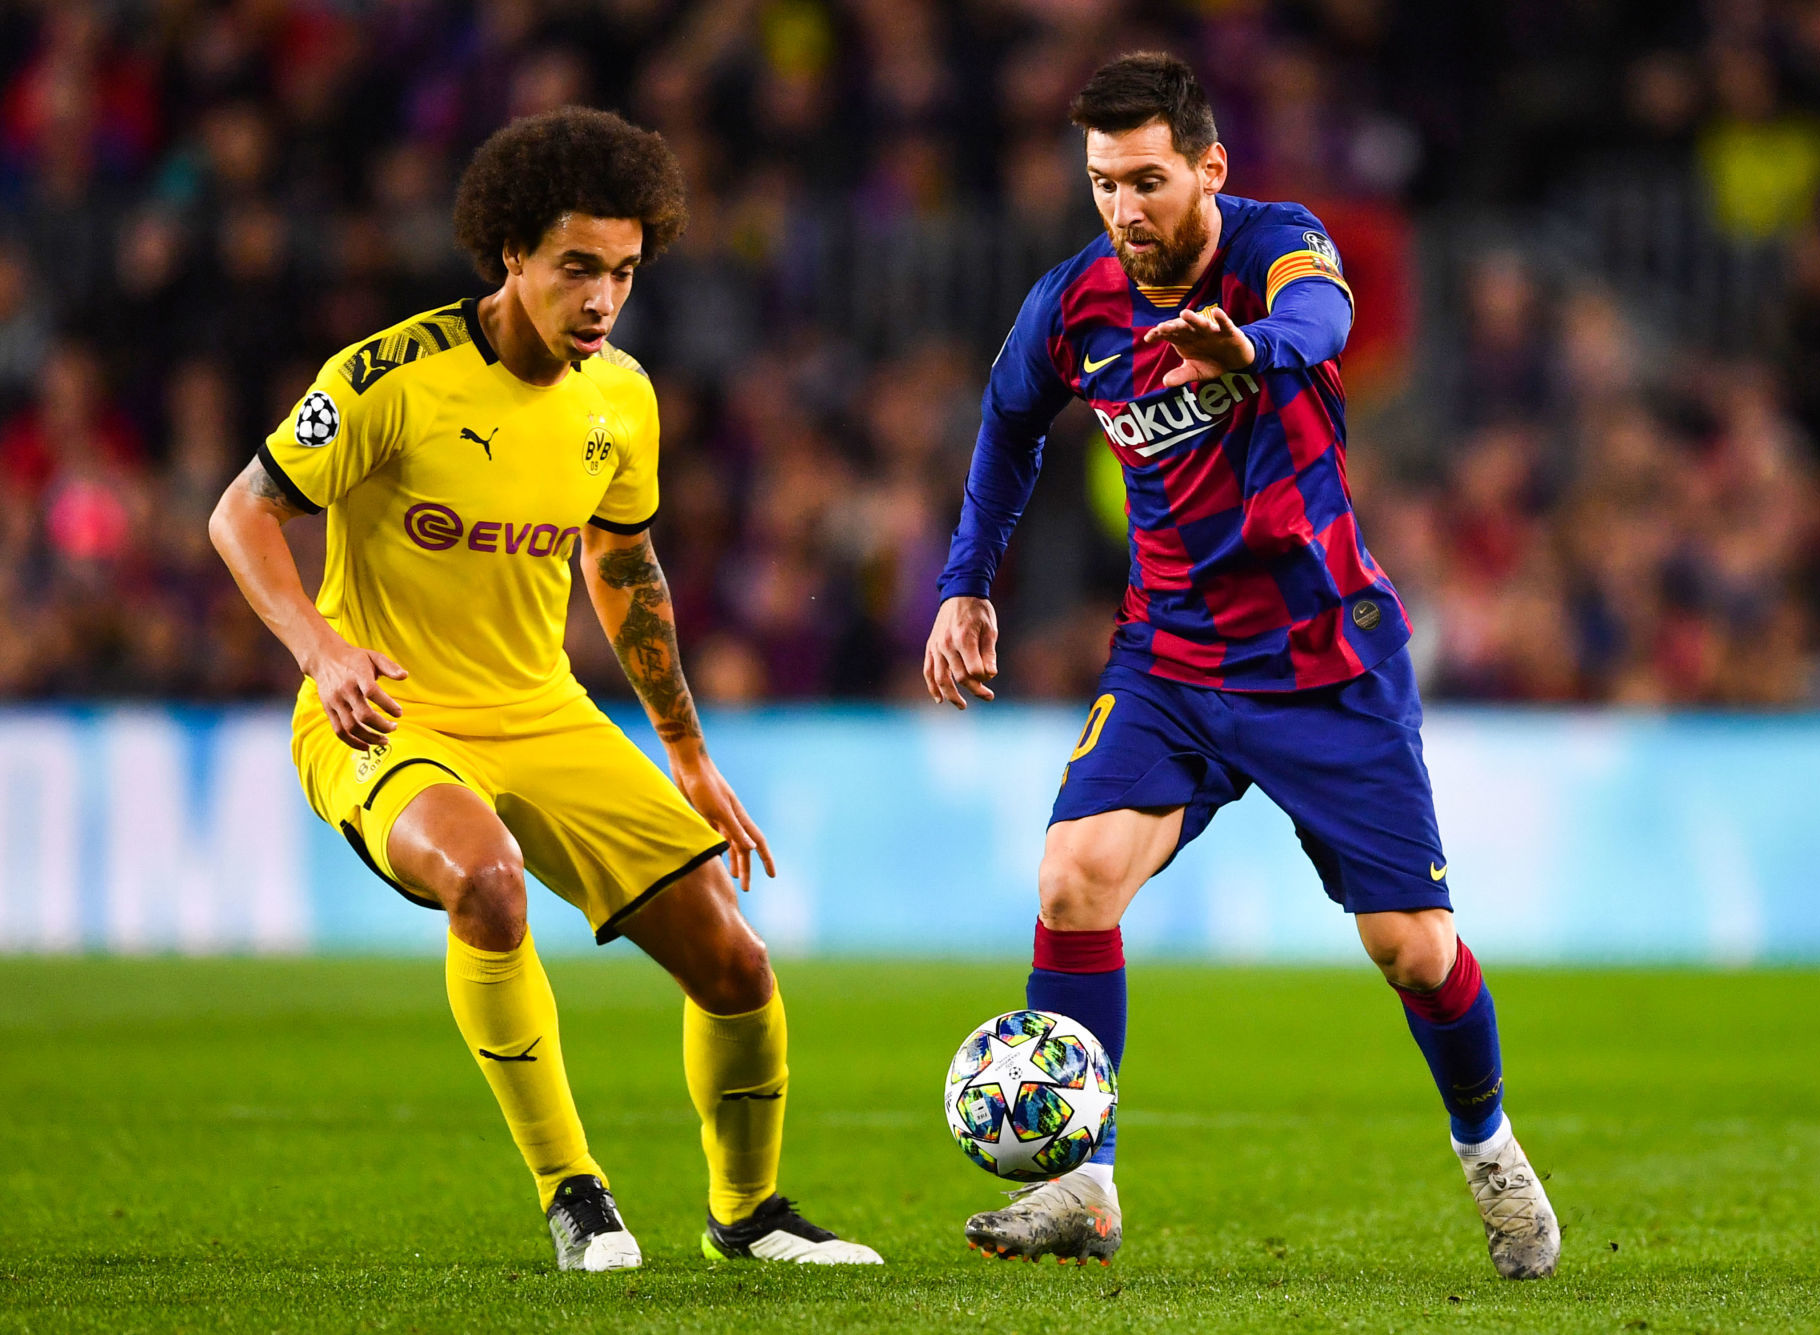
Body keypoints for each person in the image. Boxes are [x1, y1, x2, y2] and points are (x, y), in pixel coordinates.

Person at [208, 107, 879, 1272]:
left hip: (545, 713)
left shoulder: (620, 398)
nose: (602, 298)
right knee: (487, 882)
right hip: (387, 714)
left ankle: (749, 1214)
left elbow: (623, 566)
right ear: (510, 253)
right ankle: (577, 1195)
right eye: (577, 267)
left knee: (734, 962)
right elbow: (242, 512)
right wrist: (322, 650)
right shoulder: (386, 378)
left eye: (622, 272)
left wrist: (686, 751)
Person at [924, 53, 1558, 1279]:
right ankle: (1080, 1184)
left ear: (1207, 168)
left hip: (1323, 655)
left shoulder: (1278, 244)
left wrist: (1249, 350)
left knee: (1410, 949)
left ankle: (1488, 1148)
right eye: (1103, 184)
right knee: (1073, 877)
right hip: (1168, 657)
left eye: (1147, 180)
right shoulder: (1073, 306)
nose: (1123, 209)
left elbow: (1327, 319)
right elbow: (1006, 426)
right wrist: (964, 584)